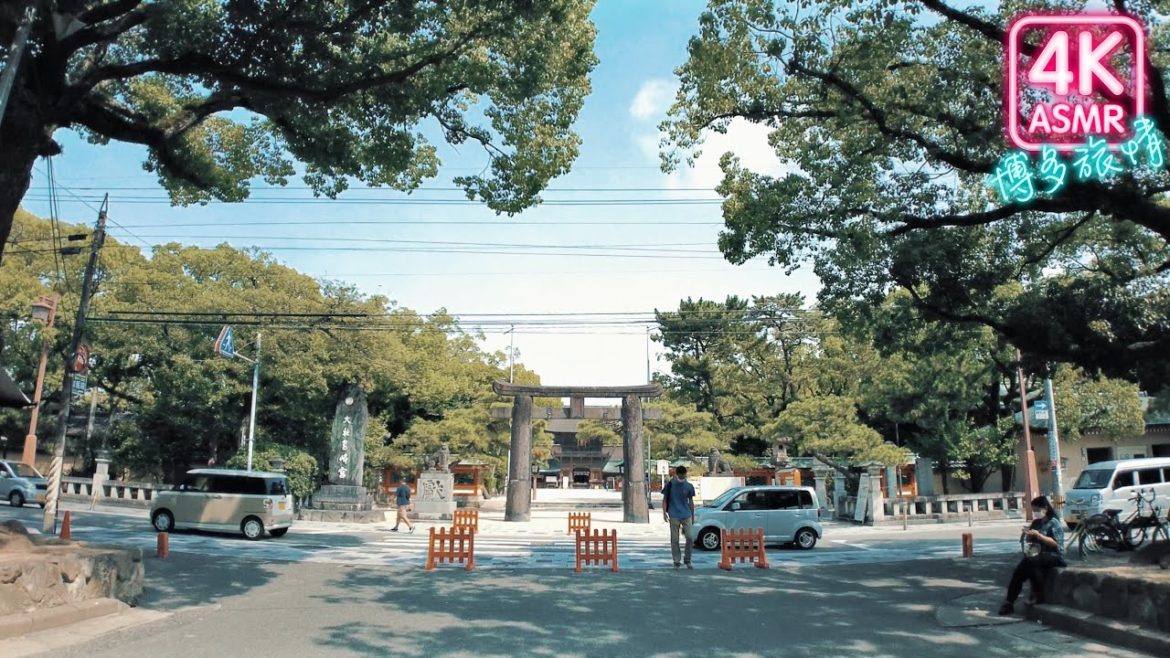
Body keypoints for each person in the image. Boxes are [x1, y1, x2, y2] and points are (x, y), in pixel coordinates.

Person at [998, 496, 1066, 615]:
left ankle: (1037, 595)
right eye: (1034, 510)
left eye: (1037, 510)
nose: (1035, 513)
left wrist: (1039, 536)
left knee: (1033, 563)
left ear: (1045, 508)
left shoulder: (1053, 522)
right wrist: (1028, 534)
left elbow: (1056, 543)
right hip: (1036, 554)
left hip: (1053, 555)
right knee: (1020, 570)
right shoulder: (1036, 523)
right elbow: (1031, 541)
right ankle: (1009, 602)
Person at [661, 466, 696, 569]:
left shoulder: (689, 486)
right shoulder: (670, 485)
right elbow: (665, 499)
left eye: (683, 474)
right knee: (674, 539)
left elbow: (691, 502)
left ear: (685, 474)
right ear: (677, 474)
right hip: (674, 514)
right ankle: (676, 560)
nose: (682, 476)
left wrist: (692, 515)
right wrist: (664, 512)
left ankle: (687, 559)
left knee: (690, 537)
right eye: (680, 474)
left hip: (686, 514)